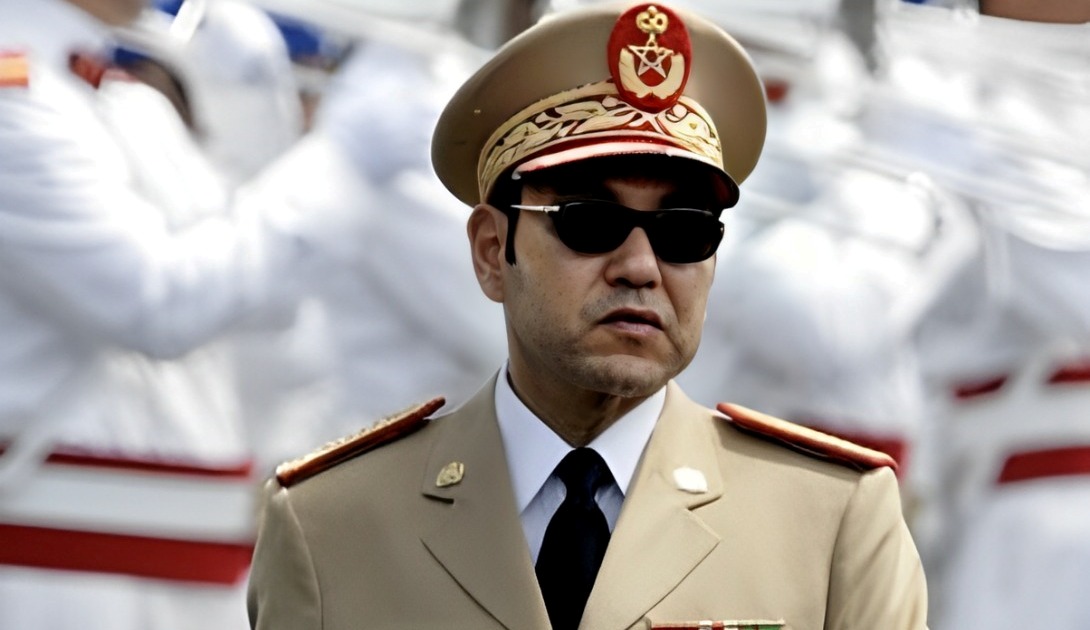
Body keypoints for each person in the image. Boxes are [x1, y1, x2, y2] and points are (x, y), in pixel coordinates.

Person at [247, 3, 929, 629]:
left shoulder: (832, 523)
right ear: (491, 251)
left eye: (685, 229)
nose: (641, 266)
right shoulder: (331, 527)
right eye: (589, 220)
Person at [0, 0, 369, 627]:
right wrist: (340, 160)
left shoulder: (116, 98)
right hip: (63, 572)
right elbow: (157, 306)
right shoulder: (17, 94)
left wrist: (256, 122)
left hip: (182, 561)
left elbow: (263, 303)